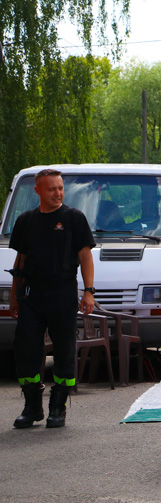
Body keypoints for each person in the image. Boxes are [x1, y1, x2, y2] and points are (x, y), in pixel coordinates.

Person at [9, 169, 96, 429]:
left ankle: (58, 406)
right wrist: (15, 296)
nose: (58, 193)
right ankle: (32, 406)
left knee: (64, 350)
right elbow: (20, 261)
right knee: (26, 351)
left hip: (63, 293)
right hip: (32, 296)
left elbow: (85, 257)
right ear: (38, 191)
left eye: (60, 188)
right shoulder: (25, 220)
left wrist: (89, 291)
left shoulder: (73, 218)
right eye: (52, 189)